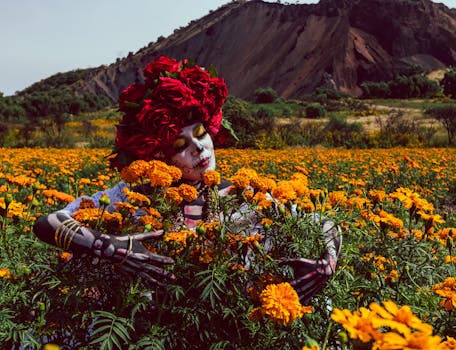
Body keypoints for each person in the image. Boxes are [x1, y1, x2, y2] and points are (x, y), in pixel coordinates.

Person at [33, 56, 342, 303]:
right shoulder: (134, 199)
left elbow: (323, 223)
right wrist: (111, 247)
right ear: (158, 157)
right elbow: (49, 223)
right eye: (179, 146)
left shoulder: (246, 197)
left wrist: (328, 260)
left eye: (200, 134)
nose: (198, 148)